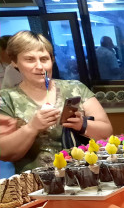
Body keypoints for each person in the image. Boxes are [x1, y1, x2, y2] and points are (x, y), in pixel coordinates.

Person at [0, 31, 112, 173]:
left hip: (84, 176)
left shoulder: (75, 88)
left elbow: (106, 132)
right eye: (30, 59)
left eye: (44, 59)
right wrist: (32, 128)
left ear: (52, 60)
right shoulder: (6, 99)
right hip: (36, 182)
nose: (39, 66)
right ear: (15, 62)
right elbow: (5, 153)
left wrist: (82, 124)